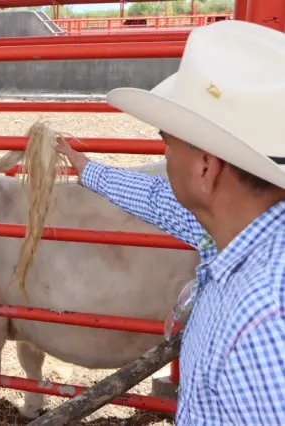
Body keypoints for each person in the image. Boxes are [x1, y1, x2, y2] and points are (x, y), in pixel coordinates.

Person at [55, 20, 285, 425]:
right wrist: (87, 168)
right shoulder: (237, 230)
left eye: (168, 145)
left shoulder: (263, 320)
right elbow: (159, 199)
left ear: (205, 167)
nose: (165, 159)